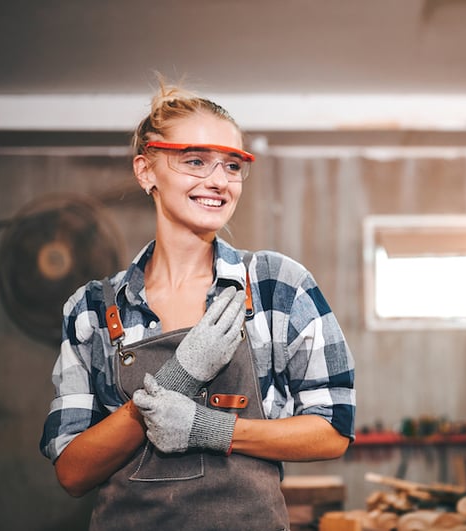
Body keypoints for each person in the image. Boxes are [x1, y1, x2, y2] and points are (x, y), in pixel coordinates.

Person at [39, 80, 356, 531]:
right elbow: (72, 472)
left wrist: (211, 428)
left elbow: (332, 432)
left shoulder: (275, 287)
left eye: (232, 165)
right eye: (195, 161)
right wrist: (176, 379)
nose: (218, 181)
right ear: (146, 171)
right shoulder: (93, 308)